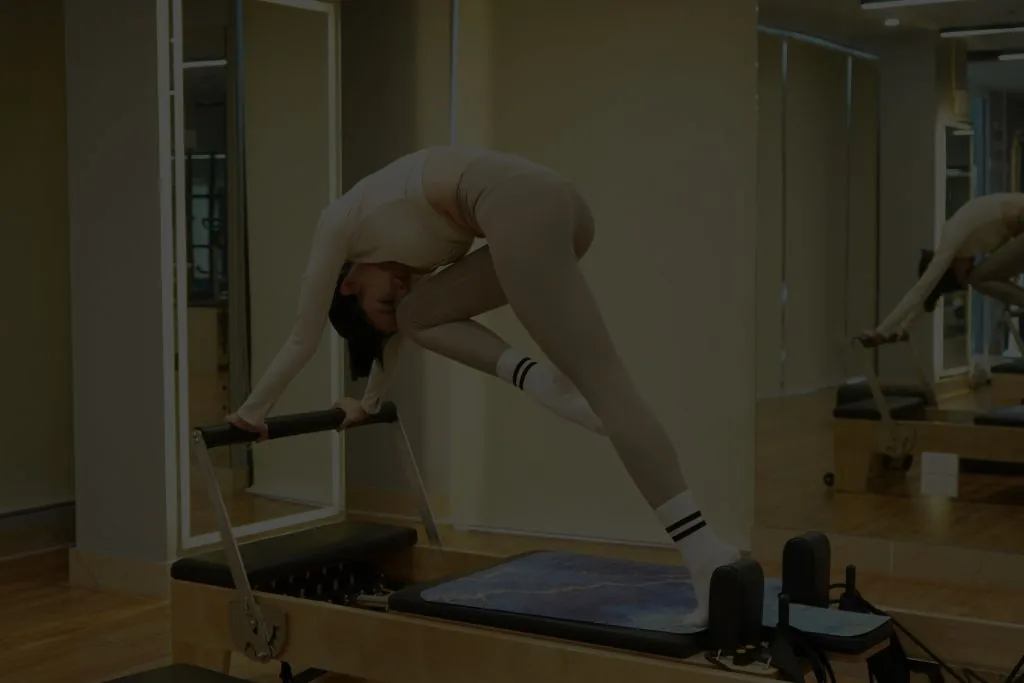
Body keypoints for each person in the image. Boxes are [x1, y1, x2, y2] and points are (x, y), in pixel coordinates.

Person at [226, 146, 739, 626]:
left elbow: (302, 336)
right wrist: (367, 403)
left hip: (523, 205)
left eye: (380, 300)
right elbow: (405, 327)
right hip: (556, 204)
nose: (397, 291)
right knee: (420, 314)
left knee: (609, 391)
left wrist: (253, 412)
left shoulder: (339, 224)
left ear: (349, 284)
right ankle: (539, 380)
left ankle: (704, 552)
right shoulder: (400, 256)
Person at [860, 192, 1024, 345]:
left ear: (950, 270)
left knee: (978, 279)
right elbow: (930, 296)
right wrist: (905, 329)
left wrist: (881, 330)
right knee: (984, 276)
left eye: (964, 274)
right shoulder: (976, 243)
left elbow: (922, 289)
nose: (970, 268)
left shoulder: (952, 240)